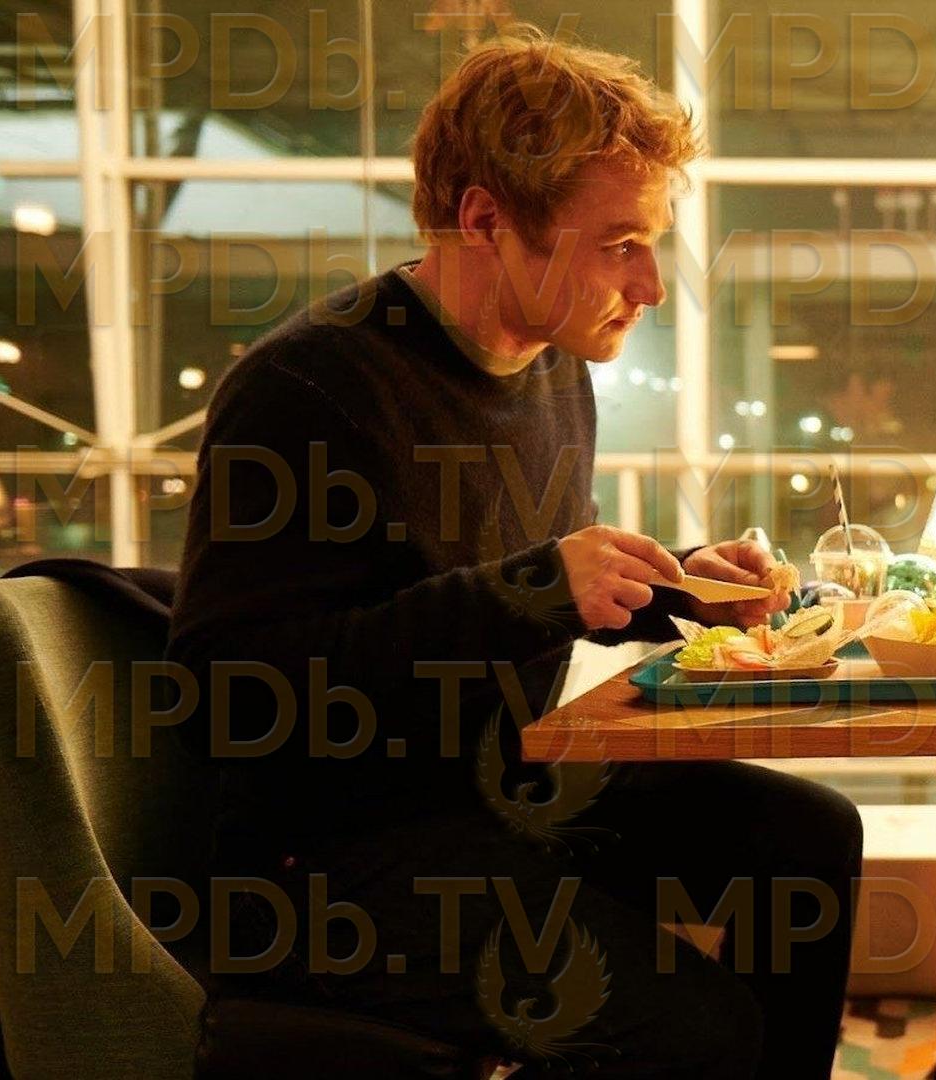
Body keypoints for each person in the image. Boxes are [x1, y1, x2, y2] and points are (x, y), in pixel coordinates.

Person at [167, 28, 860, 1080]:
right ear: (486, 219)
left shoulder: (550, 367)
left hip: (505, 787)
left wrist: (676, 587)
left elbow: (520, 594)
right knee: (700, 1025)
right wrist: (537, 588)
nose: (652, 285)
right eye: (619, 244)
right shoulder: (308, 388)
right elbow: (225, 697)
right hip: (327, 861)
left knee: (807, 841)